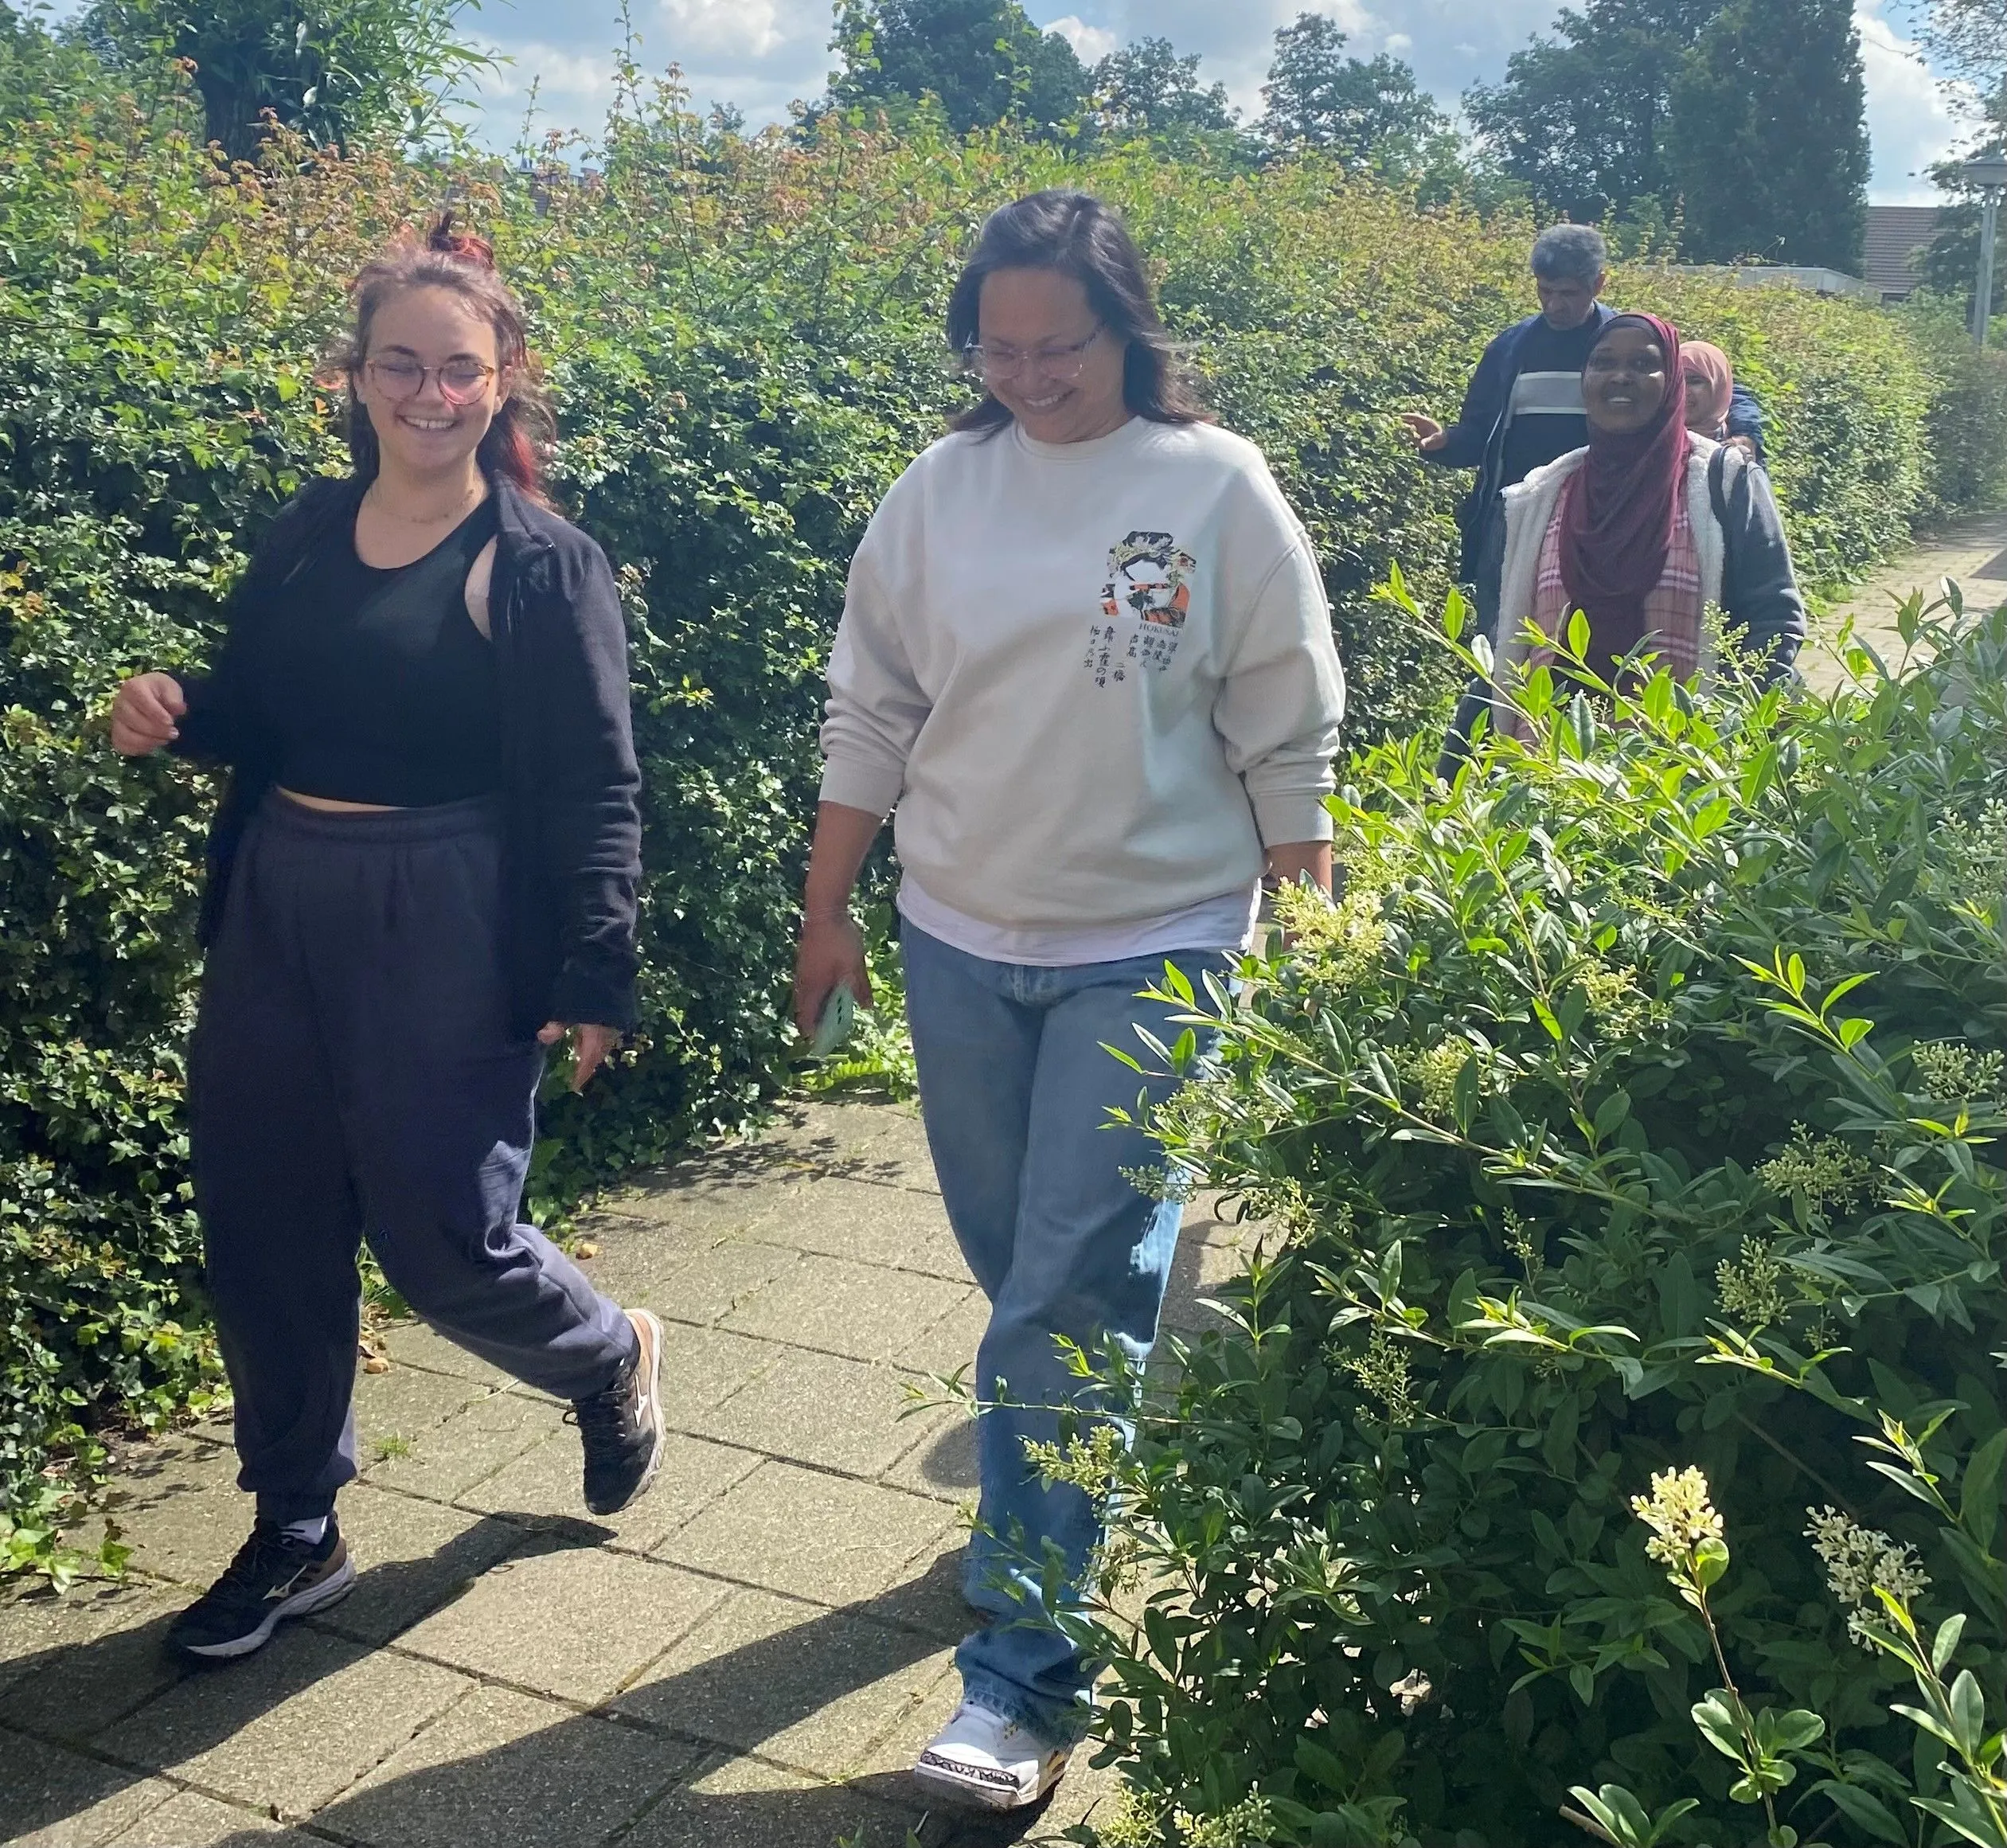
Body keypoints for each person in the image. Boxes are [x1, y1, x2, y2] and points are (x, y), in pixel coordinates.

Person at [793, 190, 1345, 1811]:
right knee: (1025, 1266)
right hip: (960, 931)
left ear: (1127, 327)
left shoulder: (1211, 486)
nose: (1027, 373)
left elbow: (1282, 717)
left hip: (1156, 932)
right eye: (998, 345)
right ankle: (1098, 1401)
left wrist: (1308, 919)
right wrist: (826, 906)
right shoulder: (937, 494)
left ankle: (1022, 1678)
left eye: (1061, 344)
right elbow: (872, 704)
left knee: (1053, 1302)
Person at [109, 217, 666, 1662]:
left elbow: (601, 781)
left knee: (445, 1237)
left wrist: (594, 966)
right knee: (265, 1213)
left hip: (451, 902)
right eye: (401, 367)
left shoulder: (544, 566)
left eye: (460, 370)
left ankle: (605, 1353)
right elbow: (262, 709)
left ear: (504, 381)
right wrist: (176, 713)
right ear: (354, 377)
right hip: (282, 891)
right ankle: (297, 1521)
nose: (431, 395)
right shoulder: (306, 532)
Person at [1401, 225, 1767, 620]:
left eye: (1568, 294)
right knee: (1506, 635)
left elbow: (1710, 382)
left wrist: (1745, 433)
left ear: (1599, 284)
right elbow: (1479, 434)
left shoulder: (1621, 343)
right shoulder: (1511, 349)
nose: (1555, 304)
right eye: (1545, 291)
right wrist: (1445, 442)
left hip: (1604, 516)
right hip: (1518, 520)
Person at [1485, 312, 1804, 729]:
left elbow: (1774, 617)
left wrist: (1724, 738)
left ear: (1670, 380)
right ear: (1585, 379)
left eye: (1642, 364)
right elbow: (1498, 643)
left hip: (1680, 775)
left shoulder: (1724, 483)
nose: (1620, 377)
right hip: (1552, 774)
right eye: (1603, 363)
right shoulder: (1538, 499)